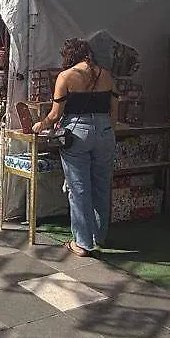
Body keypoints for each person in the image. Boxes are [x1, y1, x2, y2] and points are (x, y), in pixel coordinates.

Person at [32, 38, 116, 257]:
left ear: (69, 55)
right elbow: (115, 110)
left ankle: (83, 243)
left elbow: (55, 114)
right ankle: (100, 236)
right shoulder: (106, 75)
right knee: (102, 185)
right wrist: (108, 130)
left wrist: (40, 125)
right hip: (105, 132)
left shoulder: (66, 76)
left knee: (78, 189)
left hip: (77, 133)